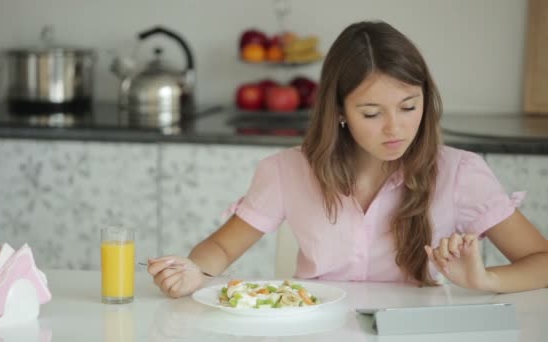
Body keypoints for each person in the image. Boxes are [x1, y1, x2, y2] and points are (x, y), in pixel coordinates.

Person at [148, 20, 548, 298]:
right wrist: (193, 273)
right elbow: (220, 250)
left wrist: (484, 280)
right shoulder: (287, 170)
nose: (396, 128)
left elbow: (541, 261)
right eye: (372, 113)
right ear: (338, 111)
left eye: (409, 106)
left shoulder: (460, 173)